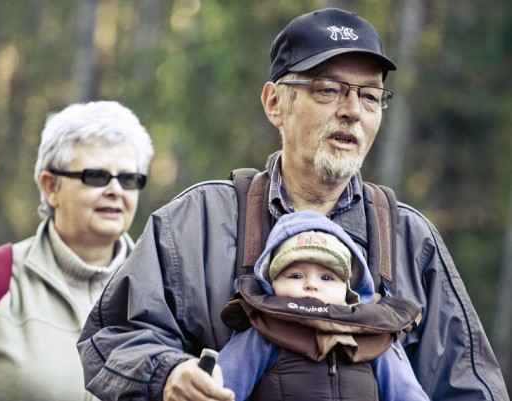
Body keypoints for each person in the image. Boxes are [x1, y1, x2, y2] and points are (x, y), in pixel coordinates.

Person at [77, 8, 509, 401]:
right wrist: (167, 374)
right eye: (328, 90)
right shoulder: (198, 221)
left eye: (370, 96)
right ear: (274, 104)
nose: (352, 111)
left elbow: (471, 388)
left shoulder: (411, 240)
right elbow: (111, 336)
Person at [0, 100, 154, 401]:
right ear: (51, 187)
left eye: (129, 179)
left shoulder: (165, 294)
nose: (116, 190)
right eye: (96, 176)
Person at [218, 210, 429, 401]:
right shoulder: (263, 331)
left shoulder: (372, 334)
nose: (311, 285)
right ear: (272, 282)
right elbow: (221, 388)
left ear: (348, 288)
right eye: (296, 275)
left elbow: (406, 393)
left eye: (327, 278)